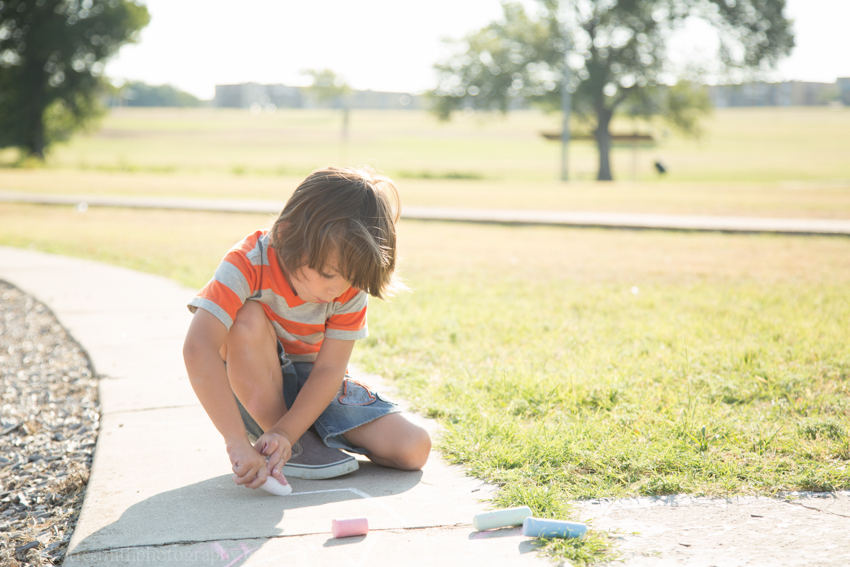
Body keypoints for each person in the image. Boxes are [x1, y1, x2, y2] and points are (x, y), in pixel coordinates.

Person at [182, 166, 431, 490]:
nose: (336, 291)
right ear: (286, 235)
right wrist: (237, 442)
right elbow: (198, 348)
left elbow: (329, 369)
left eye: (349, 280)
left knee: (414, 448)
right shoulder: (246, 263)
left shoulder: (346, 283)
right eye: (328, 274)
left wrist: (291, 429)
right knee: (246, 318)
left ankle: (303, 438)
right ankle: (285, 443)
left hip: (314, 386)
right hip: (254, 390)